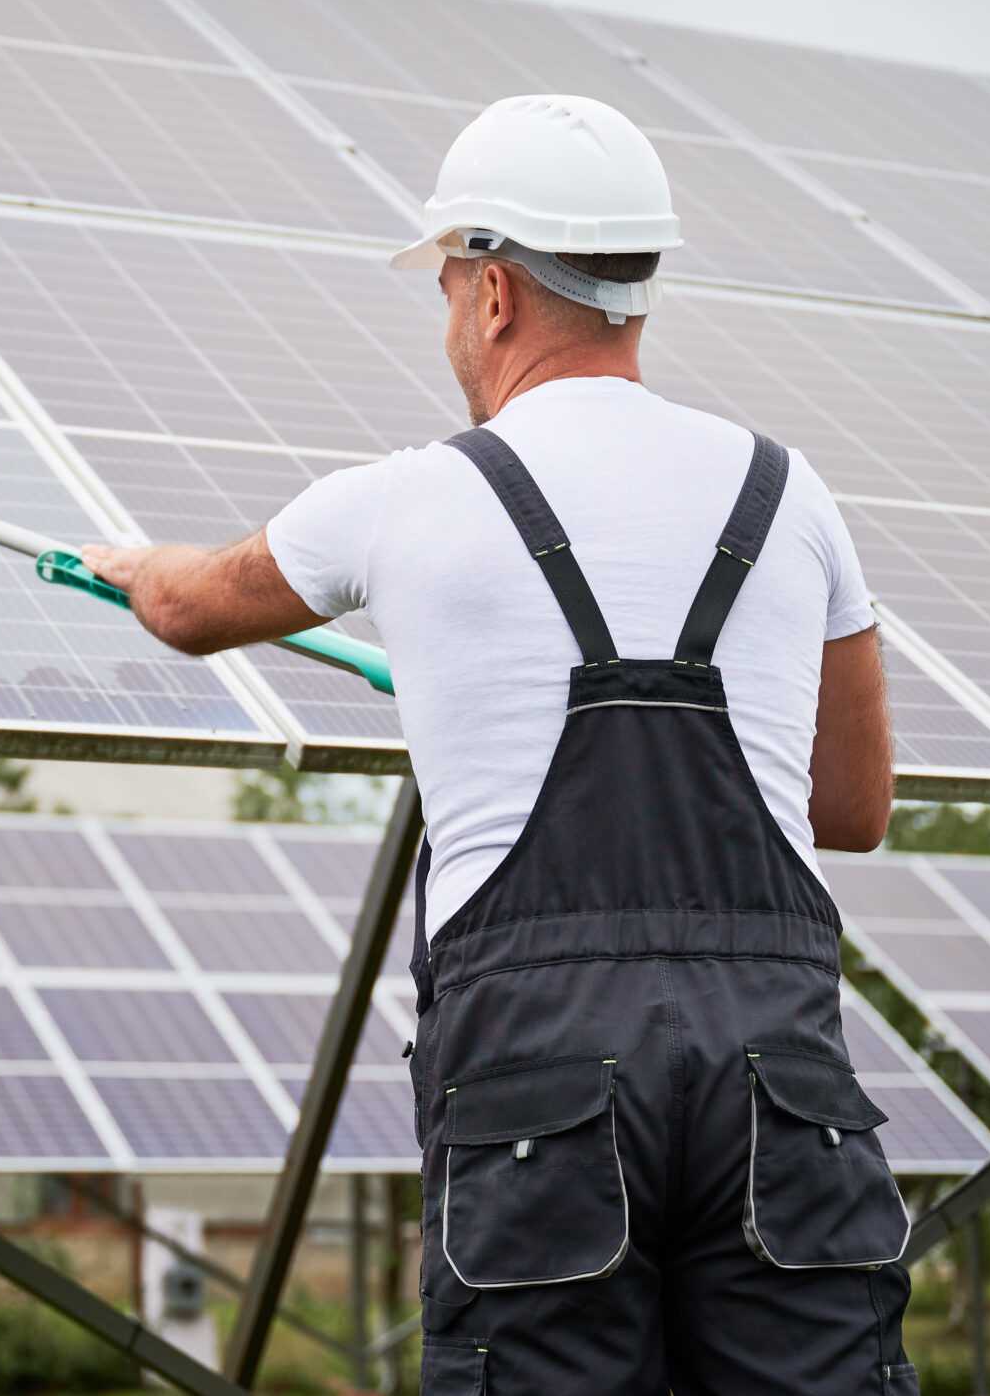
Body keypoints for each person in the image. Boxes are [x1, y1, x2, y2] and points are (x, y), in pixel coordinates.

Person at [82, 93, 909, 1394]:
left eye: (448, 291)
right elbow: (852, 809)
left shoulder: (404, 501)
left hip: (539, 1076)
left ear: (497, 291)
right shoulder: (790, 494)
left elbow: (190, 609)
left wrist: (131, 567)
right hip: (777, 1078)